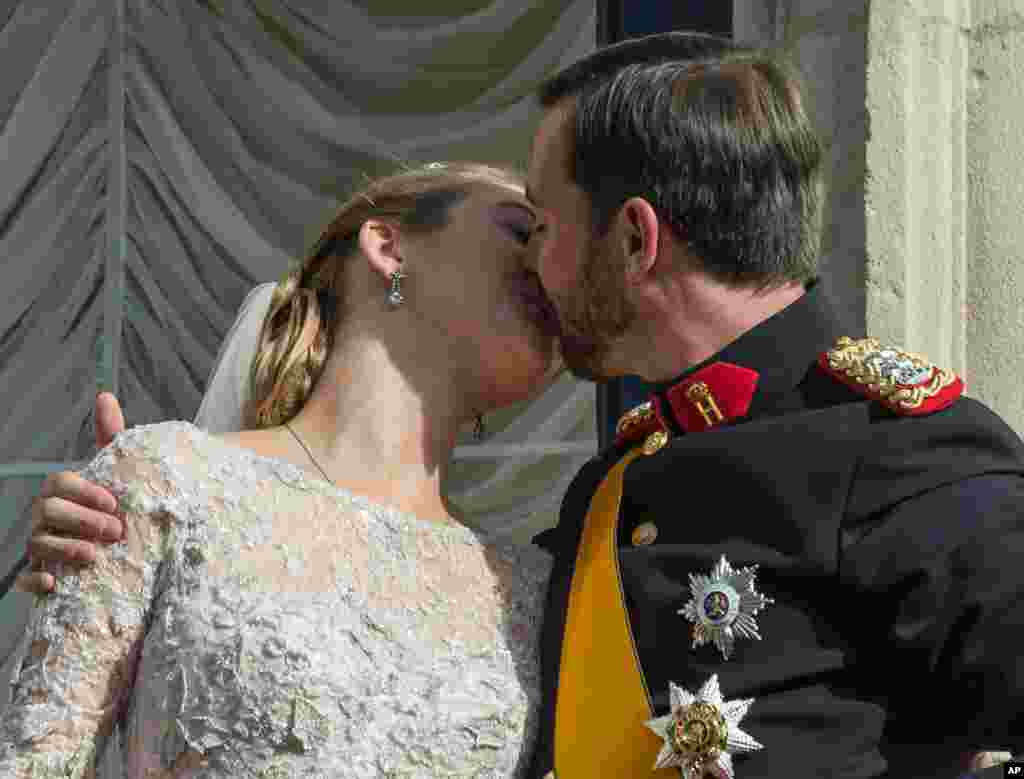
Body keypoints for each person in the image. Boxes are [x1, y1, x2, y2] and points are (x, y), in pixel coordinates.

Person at [15, 32, 1023, 778]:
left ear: (634, 241)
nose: (538, 265)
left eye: (543, 225)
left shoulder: (894, 450)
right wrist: (145, 517)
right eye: (520, 229)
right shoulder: (595, 511)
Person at [0, 162, 562, 777]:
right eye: (520, 230)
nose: (551, 262)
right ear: (388, 246)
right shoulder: (169, 482)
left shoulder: (533, 595)